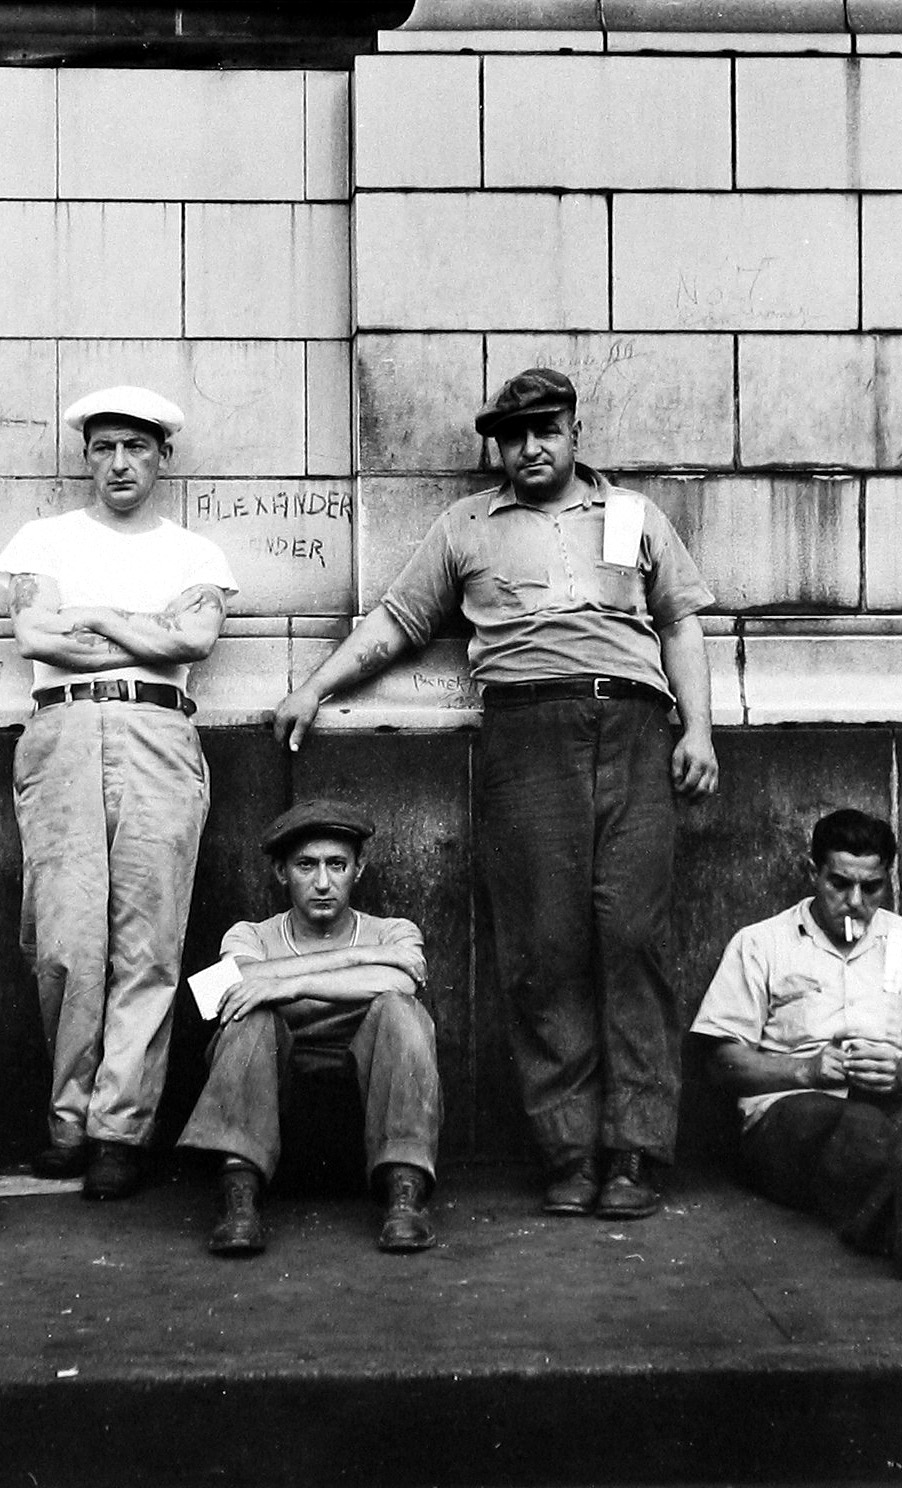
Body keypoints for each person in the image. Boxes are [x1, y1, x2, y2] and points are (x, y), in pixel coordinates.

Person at [273, 368, 718, 1221]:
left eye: (545, 429)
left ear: (575, 429)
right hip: (526, 737)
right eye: (513, 436)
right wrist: (312, 689)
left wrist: (698, 729)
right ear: (498, 446)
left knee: (632, 937)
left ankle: (633, 1150)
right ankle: (569, 1150)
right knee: (544, 946)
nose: (530, 448)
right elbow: (397, 622)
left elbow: (679, 623)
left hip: (632, 729)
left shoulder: (633, 517)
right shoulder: (465, 526)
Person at [0, 385, 237, 1199]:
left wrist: (89, 617)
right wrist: (142, 631)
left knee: (148, 941)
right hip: (61, 737)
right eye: (104, 448)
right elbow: (36, 636)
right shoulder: (44, 539)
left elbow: (194, 638)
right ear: (86, 457)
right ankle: (66, 1118)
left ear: (163, 456)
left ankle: (117, 1131)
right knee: (66, 939)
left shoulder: (195, 555)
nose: (120, 463)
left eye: (136, 447)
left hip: (161, 737)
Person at [691, 810, 902, 1280]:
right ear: (811, 872)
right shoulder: (761, 943)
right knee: (844, 1121)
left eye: (873, 887)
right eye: (839, 883)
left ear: (888, 879)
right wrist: (807, 1070)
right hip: (795, 1120)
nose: (855, 902)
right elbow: (721, 1061)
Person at [177, 800, 441, 1257]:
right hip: (277, 1078)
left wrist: (288, 982)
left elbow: (401, 980)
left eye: (336, 864)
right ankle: (239, 1197)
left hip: (364, 1075)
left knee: (402, 1011)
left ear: (358, 869)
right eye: (306, 865)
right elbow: (219, 990)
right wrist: (356, 962)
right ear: (281, 872)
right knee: (249, 1015)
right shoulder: (249, 935)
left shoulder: (394, 931)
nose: (323, 882)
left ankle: (405, 1194)